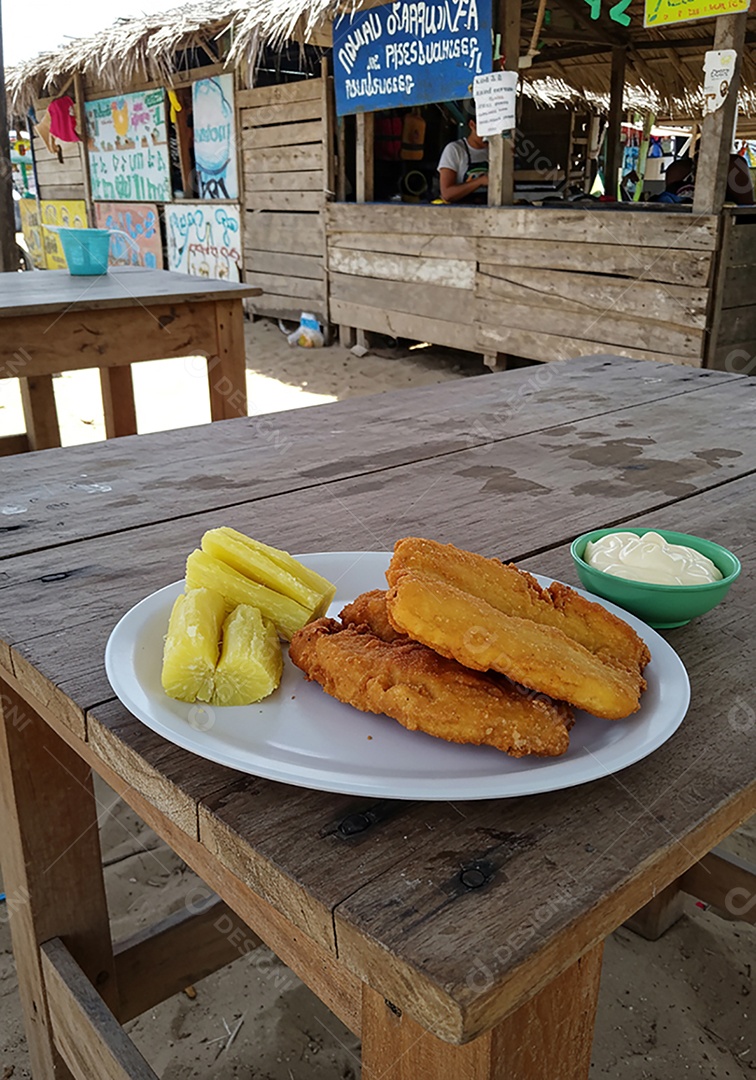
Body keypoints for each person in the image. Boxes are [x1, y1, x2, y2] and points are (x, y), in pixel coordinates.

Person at [437, 109, 489, 204]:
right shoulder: (455, 150)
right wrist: (479, 181)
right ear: (472, 125)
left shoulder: (494, 151)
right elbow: (447, 194)